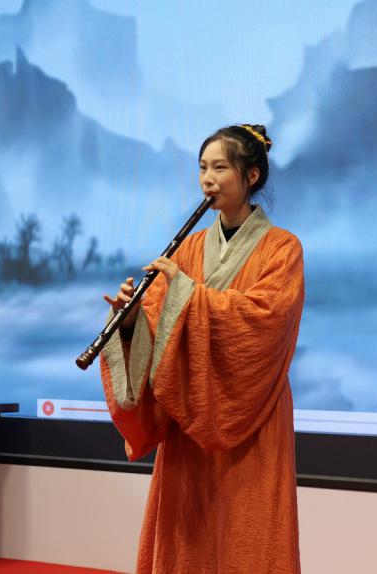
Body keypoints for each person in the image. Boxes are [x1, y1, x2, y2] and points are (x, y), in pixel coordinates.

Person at [98, 124, 305, 573]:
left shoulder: (282, 249)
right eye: (203, 168)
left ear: (251, 176)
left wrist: (187, 296)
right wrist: (131, 322)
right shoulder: (189, 249)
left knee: (249, 528)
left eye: (220, 168)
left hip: (254, 411)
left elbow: (265, 320)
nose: (208, 179)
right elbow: (160, 322)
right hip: (190, 411)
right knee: (188, 532)